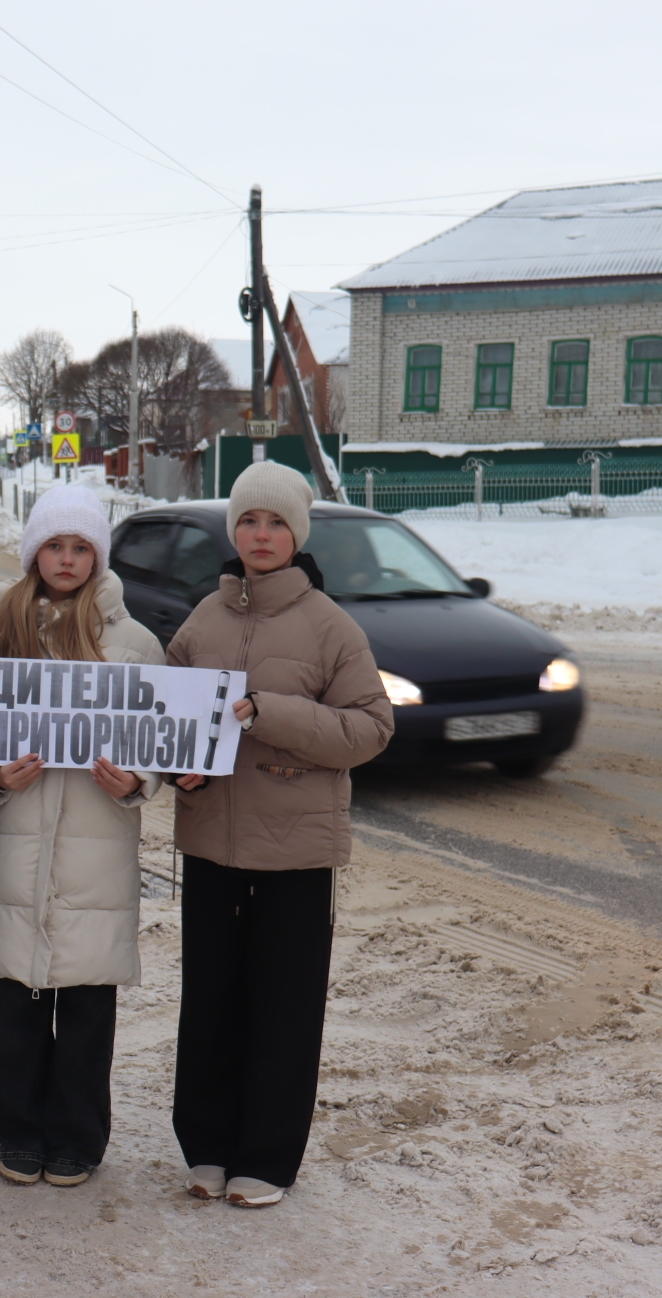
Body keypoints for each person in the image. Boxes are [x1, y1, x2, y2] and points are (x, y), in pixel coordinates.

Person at [167, 461, 392, 1209]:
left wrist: (272, 713)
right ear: (233, 530)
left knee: (282, 1009)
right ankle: (205, 1148)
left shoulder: (331, 626)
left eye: (275, 523)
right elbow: (166, 720)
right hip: (211, 845)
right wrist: (176, 770)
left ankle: (266, 1157)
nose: (261, 536)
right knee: (210, 1004)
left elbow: (371, 728)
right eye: (249, 522)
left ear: (297, 534)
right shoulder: (204, 617)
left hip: (296, 852)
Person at [0, 484, 165, 1189]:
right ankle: (15, 1130)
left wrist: (136, 782)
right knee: (15, 1000)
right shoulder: (4, 631)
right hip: (18, 841)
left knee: (85, 1007)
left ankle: (78, 1136)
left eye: (81, 546)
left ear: (97, 556)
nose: (67, 558)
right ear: (34, 552)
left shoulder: (134, 643)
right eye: (55, 544)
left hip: (96, 850)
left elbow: (161, 742)